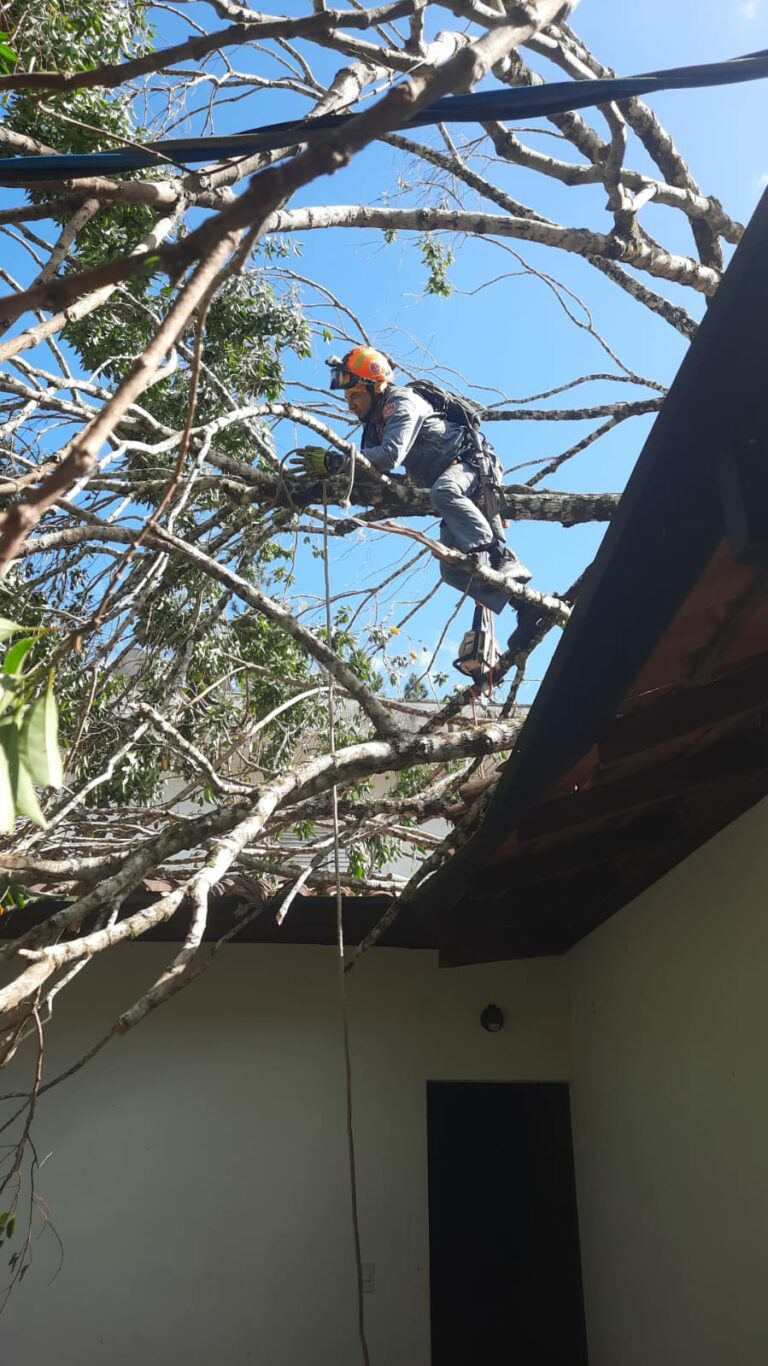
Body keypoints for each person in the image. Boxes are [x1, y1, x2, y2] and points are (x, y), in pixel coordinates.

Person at [290, 345, 541, 650]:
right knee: (451, 571)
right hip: (449, 487)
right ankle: (525, 606)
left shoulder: (401, 402)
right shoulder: (373, 429)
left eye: (355, 395)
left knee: (444, 492)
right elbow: (366, 471)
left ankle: (503, 556)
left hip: (470, 466)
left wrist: (335, 460)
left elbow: (389, 456)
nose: (350, 404)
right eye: (347, 398)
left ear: (375, 386)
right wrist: (323, 476)